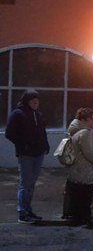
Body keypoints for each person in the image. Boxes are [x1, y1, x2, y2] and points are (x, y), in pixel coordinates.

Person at [5, 89, 50, 223]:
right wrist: (23, 145)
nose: (36, 102)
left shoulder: (38, 115)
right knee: (25, 184)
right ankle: (22, 212)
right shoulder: (18, 114)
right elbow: (9, 133)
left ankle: (28, 210)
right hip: (26, 155)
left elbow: (43, 132)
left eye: (37, 100)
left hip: (38, 154)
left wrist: (45, 145)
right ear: (27, 101)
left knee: (31, 184)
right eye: (33, 100)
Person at [65, 107, 93, 226]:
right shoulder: (84, 133)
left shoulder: (74, 131)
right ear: (86, 119)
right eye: (92, 119)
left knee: (77, 194)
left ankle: (76, 217)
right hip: (84, 170)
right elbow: (89, 152)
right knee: (85, 196)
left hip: (76, 169)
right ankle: (85, 217)